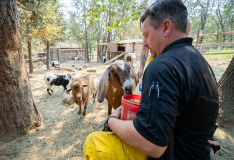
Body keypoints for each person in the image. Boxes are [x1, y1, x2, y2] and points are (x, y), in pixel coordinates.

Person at [83, 0, 219, 159]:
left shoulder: (161, 66)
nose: (145, 43)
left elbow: (153, 145)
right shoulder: (201, 62)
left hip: (175, 154)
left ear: (166, 28)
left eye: (146, 35)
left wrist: (111, 121)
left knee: (93, 141)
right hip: (198, 152)